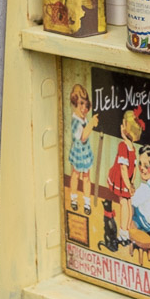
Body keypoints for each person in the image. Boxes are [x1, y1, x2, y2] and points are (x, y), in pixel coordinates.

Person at [105, 107, 144, 246]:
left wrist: (128, 185)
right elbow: (134, 169)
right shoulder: (132, 148)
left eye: (123, 123)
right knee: (127, 204)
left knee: (125, 205)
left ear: (126, 129)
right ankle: (125, 233)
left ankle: (123, 234)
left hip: (122, 180)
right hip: (127, 181)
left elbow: (123, 168)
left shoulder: (123, 146)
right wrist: (131, 184)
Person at [66, 83, 95, 213]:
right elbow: (83, 137)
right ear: (75, 104)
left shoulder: (84, 119)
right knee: (76, 175)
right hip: (78, 153)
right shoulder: (75, 121)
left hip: (86, 152)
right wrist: (91, 124)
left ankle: (87, 203)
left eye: (86, 105)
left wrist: (90, 123)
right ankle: (73, 199)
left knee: (87, 177)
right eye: (81, 104)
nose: (84, 108)